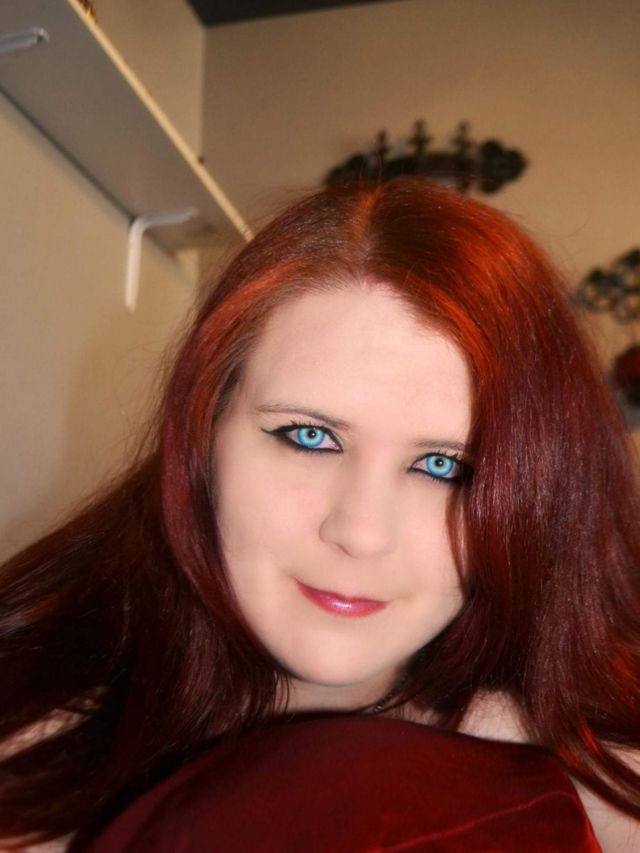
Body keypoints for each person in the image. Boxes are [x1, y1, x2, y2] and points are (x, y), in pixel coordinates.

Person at [0, 178, 639, 851]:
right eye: (310, 436)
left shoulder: (591, 786)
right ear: (203, 430)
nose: (360, 533)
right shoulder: (33, 737)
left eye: (444, 466)